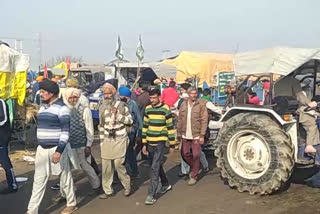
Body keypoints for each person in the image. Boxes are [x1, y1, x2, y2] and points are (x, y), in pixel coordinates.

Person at [26, 79, 77, 214]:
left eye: (43, 92)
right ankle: (32, 210)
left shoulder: (63, 109)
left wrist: (59, 151)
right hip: (42, 149)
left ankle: (71, 203)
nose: (41, 94)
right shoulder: (43, 107)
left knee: (65, 177)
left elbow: (66, 132)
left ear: (51, 93)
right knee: (39, 180)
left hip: (56, 149)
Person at [98, 82, 133, 199]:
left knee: (118, 164)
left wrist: (118, 116)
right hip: (107, 139)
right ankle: (107, 190)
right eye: (105, 94)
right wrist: (102, 141)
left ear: (113, 94)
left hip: (120, 139)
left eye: (108, 93)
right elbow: (101, 125)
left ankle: (127, 185)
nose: (107, 96)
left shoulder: (122, 106)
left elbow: (130, 121)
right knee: (106, 167)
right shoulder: (102, 107)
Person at [64, 88, 100, 195]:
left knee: (85, 166)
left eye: (75, 97)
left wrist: (88, 145)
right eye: (71, 97)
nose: (73, 99)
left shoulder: (85, 110)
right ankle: (68, 191)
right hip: (67, 145)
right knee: (67, 169)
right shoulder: (64, 109)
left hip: (81, 144)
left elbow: (89, 129)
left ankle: (96, 185)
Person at [142, 89, 175, 205]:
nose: (152, 100)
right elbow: (145, 126)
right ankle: (165, 183)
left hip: (160, 142)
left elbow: (170, 127)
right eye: (150, 98)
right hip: (150, 142)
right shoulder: (148, 109)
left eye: (154, 98)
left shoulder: (166, 109)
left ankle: (151, 194)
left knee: (154, 168)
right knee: (155, 165)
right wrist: (144, 144)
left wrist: (172, 144)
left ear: (159, 97)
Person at [275, 75, 318, 154]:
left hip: (279, 108)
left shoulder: (277, 82)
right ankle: (309, 146)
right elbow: (300, 96)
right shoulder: (293, 81)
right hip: (291, 108)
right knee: (311, 123)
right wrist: (309, 103)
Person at [177, 87, 208, 185]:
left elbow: (204, 120)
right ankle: (195, 167)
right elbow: (180, 120)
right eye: (192, 93)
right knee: (185, 154)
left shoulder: (201, 105)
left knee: (196, 155)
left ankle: (194, 175)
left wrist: (202, 135)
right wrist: (178, 133)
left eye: (195, 93)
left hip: (196, 134)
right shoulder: (183, 104)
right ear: (188, 94)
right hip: (185, 134)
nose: (194, 95)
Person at [118, 86, 143, 178]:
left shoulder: (133, 104)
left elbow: (139, 119)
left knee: (129, 152)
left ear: (124, 96)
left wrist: (139, 134)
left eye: (120, 95)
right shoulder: (120, 104)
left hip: (131, 132)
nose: (119, 97)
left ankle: (134, 172)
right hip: (121, 132)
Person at [0, 93, 18, 194]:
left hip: (2, 137)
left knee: (4, 161)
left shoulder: (1, 102)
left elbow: (4, 119)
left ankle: (13, 185)